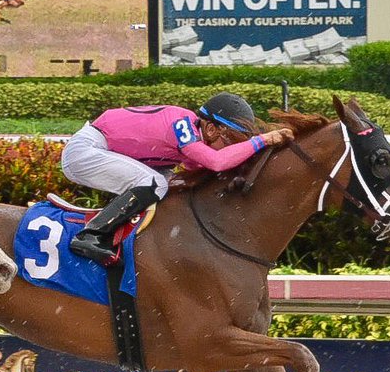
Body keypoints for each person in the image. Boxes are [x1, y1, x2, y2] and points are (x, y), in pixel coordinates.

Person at [59, 92, 293, 264]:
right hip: (85, 151)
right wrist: (261, 141)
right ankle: (90, 235)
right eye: (232, 141)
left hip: (100, 151)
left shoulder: (192, 138)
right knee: (155, 183)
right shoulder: (183, 123)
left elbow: (207, 171)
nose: (233, 148)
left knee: (165, 183)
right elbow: (217, 161)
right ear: (211, 129)